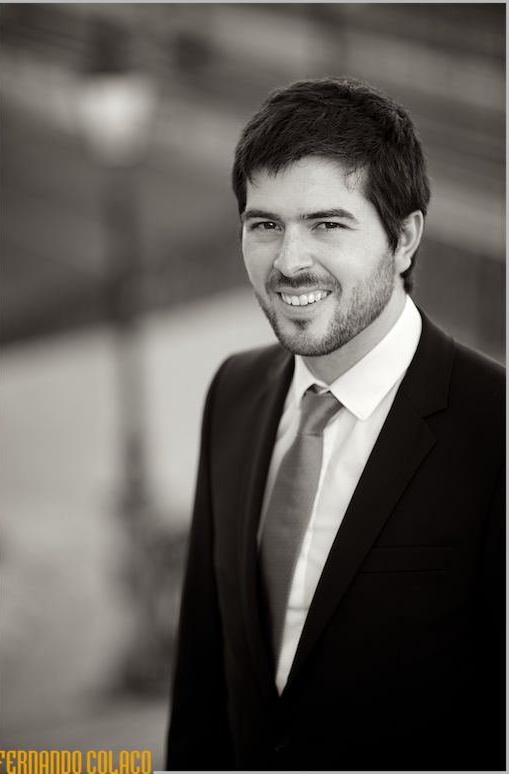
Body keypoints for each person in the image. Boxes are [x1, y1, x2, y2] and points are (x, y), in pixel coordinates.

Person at [166, 77, 505, 771]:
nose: (289, 262)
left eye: (326, 223)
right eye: (264, 225)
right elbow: (204, 669)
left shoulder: (494, 428)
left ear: (403, 238)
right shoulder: (232, 391)